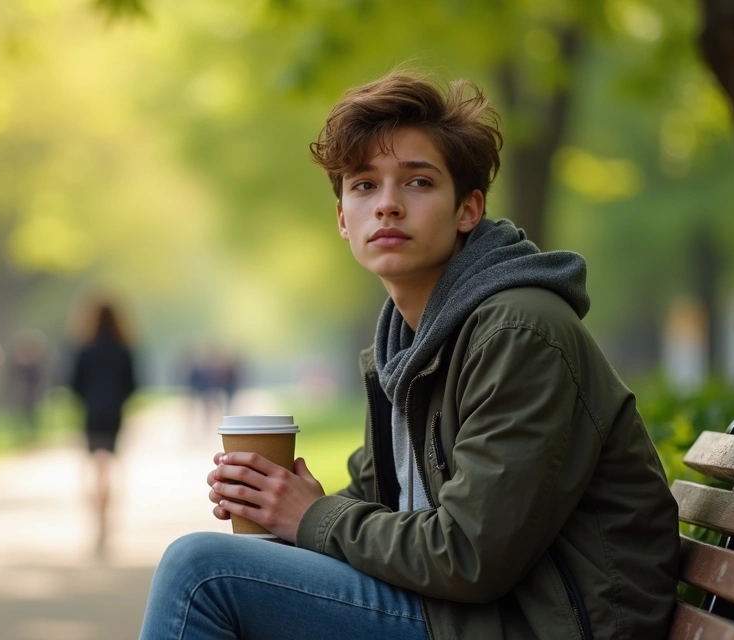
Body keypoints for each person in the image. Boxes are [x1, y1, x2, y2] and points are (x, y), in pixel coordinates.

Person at [139, 72, 679, 639]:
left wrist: (311, 517)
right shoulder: (405, 343)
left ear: (468, 210)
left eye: (418, 183)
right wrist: (280, 502)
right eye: (365, 186)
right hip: (475, 615)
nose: (388, 206)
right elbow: (378, 499)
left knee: (200, 573)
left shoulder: (519, 331)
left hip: (543, 626)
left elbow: (470, 554)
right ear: (343, 219)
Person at [70, 300, 139, 558]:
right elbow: (133, 384)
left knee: (96, 467)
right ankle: (106, 516)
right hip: (114, 415)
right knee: (109, 467)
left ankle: (97, 517)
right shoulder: (124, 350)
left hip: (92, 414)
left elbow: (74, 384)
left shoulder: (85, 350)